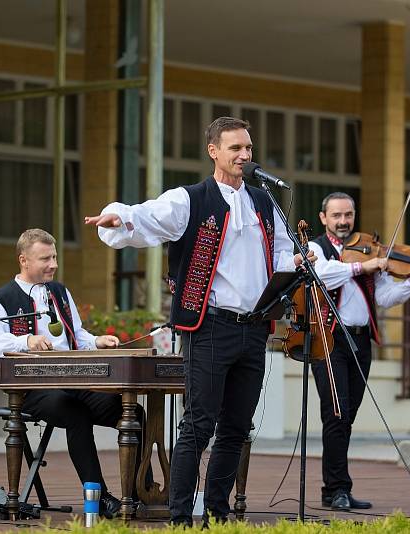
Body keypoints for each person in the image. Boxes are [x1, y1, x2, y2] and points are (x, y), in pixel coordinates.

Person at [86, 117, 313, 527]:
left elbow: (278, 254)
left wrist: (297, 260)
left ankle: (217, 512)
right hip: (209, 326)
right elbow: (148, 217)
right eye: (235, 149)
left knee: (237, 427)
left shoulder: (264, 202)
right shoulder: (191, 199)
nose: (244, 156)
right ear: (214, 151)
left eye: (247, 148)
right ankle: (180, 518)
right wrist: (119, 218)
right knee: (199, 423)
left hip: (254, 327)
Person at [0, 228, 133, 519]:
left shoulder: (60, 292)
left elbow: (76, 336)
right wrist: (24, 341)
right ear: (23, 260)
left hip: (74, 380)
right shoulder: (1, 299)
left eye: (54, 257)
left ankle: (141, 492)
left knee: (129, 411)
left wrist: (97, 341)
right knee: (75, 413)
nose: (53, 264)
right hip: (33, 391)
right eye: (45, 258)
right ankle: (99, 498)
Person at [308, 192, 410, 511]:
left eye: (349, 215)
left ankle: (334, 489)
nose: (343, 221)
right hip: (328, 340)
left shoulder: (370, 251)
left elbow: (384, 297)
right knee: (336, 414)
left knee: (347, 416)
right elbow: (323, 275)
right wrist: (366, 265)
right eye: (337, 215)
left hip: (361, 340)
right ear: (323, 218)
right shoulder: (316, 249)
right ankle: (338, 487)